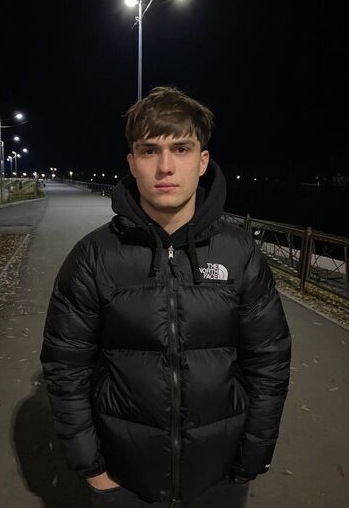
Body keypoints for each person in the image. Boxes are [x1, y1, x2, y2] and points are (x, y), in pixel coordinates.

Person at [40, 86, 291, 508]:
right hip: (122, 479)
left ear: (202, 161)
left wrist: (253, 455)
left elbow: (269, 363)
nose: (165, 166)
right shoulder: (93, 256)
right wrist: (92, 468)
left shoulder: (240, 252)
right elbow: (65, 368)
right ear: (132, 163)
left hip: (221, 475)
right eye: (149, 150)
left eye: (181, 148)